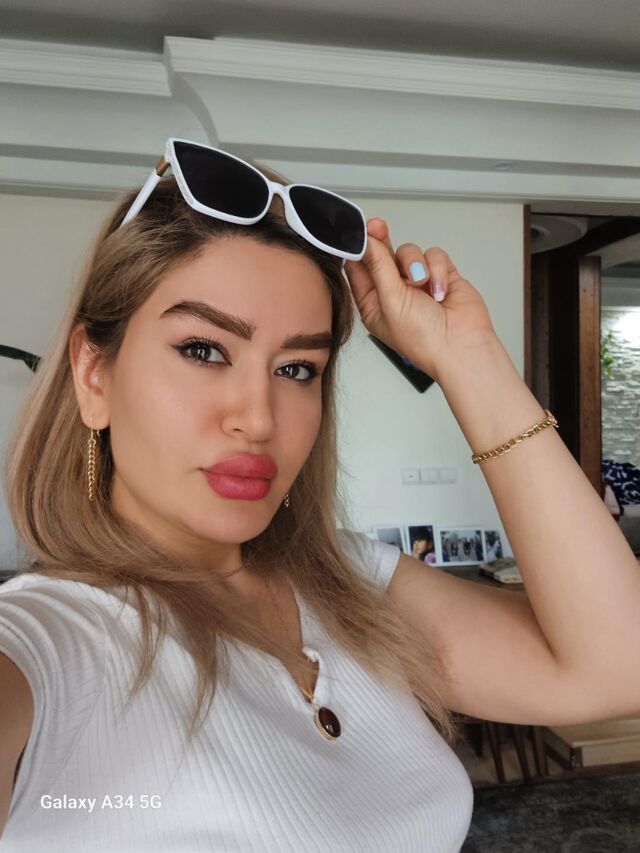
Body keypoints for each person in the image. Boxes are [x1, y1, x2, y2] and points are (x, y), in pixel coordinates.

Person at [1, 139, 640, 852]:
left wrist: (469, 357)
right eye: (204, 350)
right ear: (94, 374)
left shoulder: (350, 582)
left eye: (298, 368)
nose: (258, 418)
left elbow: (617, 667)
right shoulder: (42, 642)